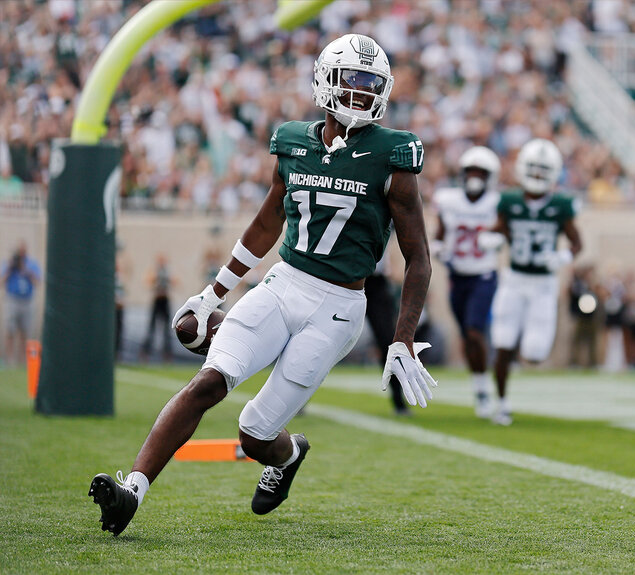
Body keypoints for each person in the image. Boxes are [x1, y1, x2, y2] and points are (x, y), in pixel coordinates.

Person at [89, 34, 436, 537]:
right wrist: (214, 294)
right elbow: (266, 224)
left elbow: (419, 257)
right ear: (325, 80)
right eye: (352, 81)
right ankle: (132, 492)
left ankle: (289, 454)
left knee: (254, 435)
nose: (361, 94)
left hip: (338, 308)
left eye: (371, 85)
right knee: (209, 381)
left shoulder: (392, 155)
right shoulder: (293, 141)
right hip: (283, 283)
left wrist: (402, 336)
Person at [481, 138, 582, 425]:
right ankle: (502, 403)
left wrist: (562, 257)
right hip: (514, 280)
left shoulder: (562, 205)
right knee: (502, 342)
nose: (537, 175)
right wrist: (492, 238)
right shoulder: (510, 201)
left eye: (543, 170)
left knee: (535, 353)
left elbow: (577, 243)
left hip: (543, 286)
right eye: (533, 169)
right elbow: (497, 229)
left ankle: (518, 356)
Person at [432, 146, 501, 418]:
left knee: (474, 331)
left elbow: (505, 231)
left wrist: (498, 239)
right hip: (457, 276)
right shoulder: (449, 200)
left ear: (490, 176)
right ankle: (478, 384)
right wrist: (437, 248)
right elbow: (439, 234)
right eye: (470, 171)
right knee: (466, 336)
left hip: (483, 274)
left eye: (480, 172)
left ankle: (484, 390)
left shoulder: (496, 203)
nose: (474, 177)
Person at [364, 248, 410, 416]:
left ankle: (399, 402)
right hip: (344, 278)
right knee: (325, 339)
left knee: (388, 343)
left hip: (376, 281)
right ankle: (299, 399)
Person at [2, 242, 41, 366]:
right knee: (10, 330)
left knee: (25, 332)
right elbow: (1, 281)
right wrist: (10, 268)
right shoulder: (9, 264)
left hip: (27, 301)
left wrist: (25, 270)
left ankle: (22, 361)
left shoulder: (31, 264)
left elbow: (37, 282)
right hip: (12, 300)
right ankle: (9, 361)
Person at [140, 253, 175, 362]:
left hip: (164, 299)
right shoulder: (154, 272)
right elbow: (148, 281)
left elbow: (174, 282)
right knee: (152, 328)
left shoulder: (167, 272)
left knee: (166, 329)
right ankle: (145, 352)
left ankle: (167, 353)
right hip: (157, 299)